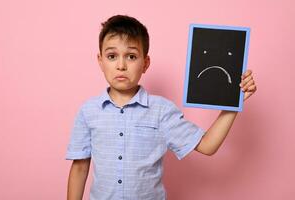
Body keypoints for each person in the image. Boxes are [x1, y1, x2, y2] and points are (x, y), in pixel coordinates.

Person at [66, 15, 257, 200]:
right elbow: (80, 167)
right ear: (100, 61)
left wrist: (234, 102)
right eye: (112, 56)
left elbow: (208, 145)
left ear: (145, 63)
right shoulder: (88, 111)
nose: (121, 65)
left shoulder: (162, 111)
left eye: (131, 56)